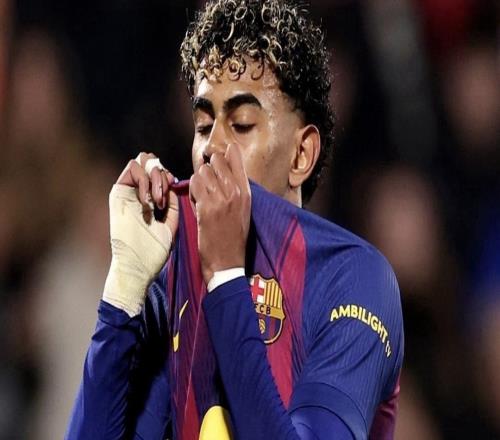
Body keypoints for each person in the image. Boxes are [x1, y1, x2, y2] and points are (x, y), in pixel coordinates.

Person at [66, 1, 403, 439]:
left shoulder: (355, 278)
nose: (211, 148)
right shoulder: (174, 282)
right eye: (203, 126)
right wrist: (124, 291)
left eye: (241, 124)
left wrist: (225, 277)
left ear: (301, 155)